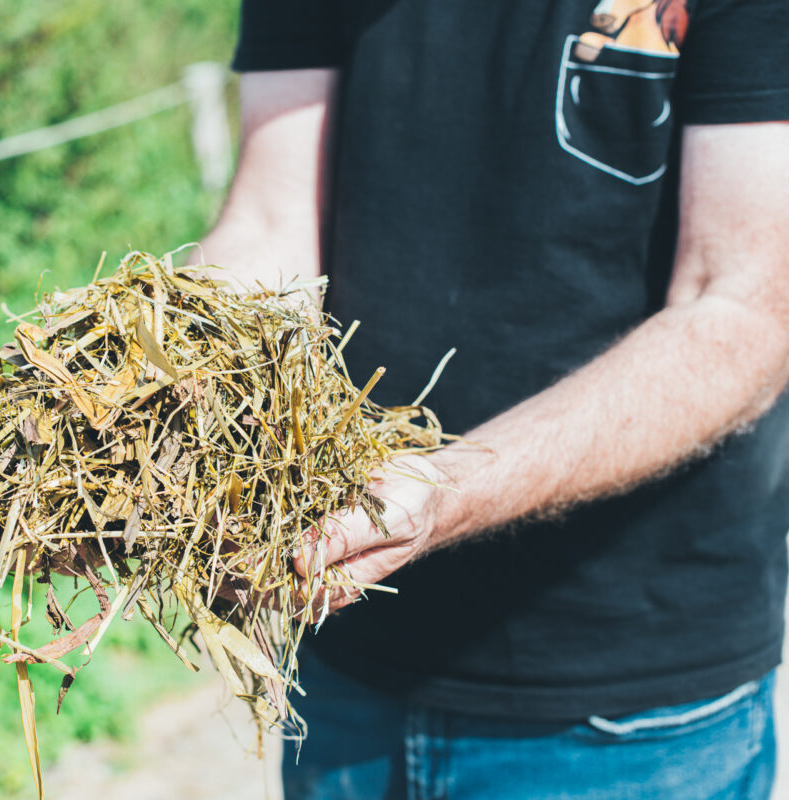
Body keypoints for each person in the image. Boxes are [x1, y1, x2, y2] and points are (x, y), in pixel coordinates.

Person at [197, 1, 789, 797]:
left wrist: (444, 492)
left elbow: (746, 306)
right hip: (344, 665)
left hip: (622, 708)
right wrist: (163, 398)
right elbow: (271, 225)